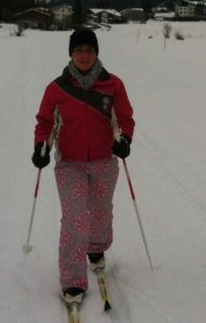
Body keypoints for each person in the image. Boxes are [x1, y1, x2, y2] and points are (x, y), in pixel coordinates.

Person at [32, 28, 135, 305]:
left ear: (97, 52)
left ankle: (97, 248)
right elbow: (45, 123)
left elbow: (125, 118)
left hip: (104, 161)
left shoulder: (113, 85)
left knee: (101, 213)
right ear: (71, 53)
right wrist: (41, 146)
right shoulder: (56, 89)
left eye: (89, 49)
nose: (84, 55)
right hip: (70, 164)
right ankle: (73, 279)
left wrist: (124, 139)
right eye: (79, 50)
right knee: (76, 220)